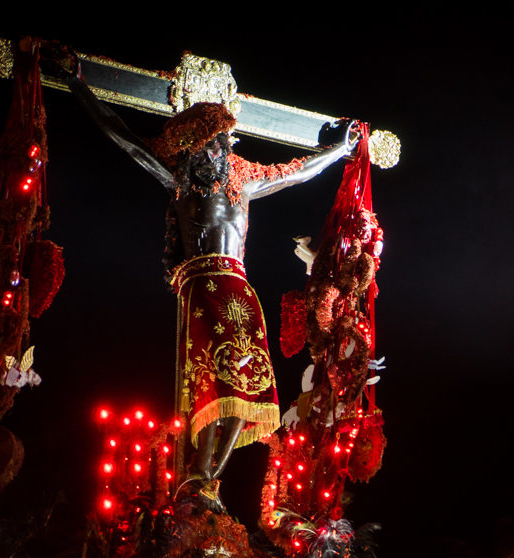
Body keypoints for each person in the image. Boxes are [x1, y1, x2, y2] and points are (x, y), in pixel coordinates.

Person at [62, 59, 359, 483]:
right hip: (202, 284)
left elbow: (298, 172)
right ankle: (199, 472)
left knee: (247, 385)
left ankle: (206, 477)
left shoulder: (245, 179)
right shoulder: (181, 178)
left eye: (223, 141)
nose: (219, 150)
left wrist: (338, 151)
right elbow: (124, 139)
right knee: (213, 382)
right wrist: (78, 85)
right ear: (195, 143)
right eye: (211, 142)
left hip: (241, 288)